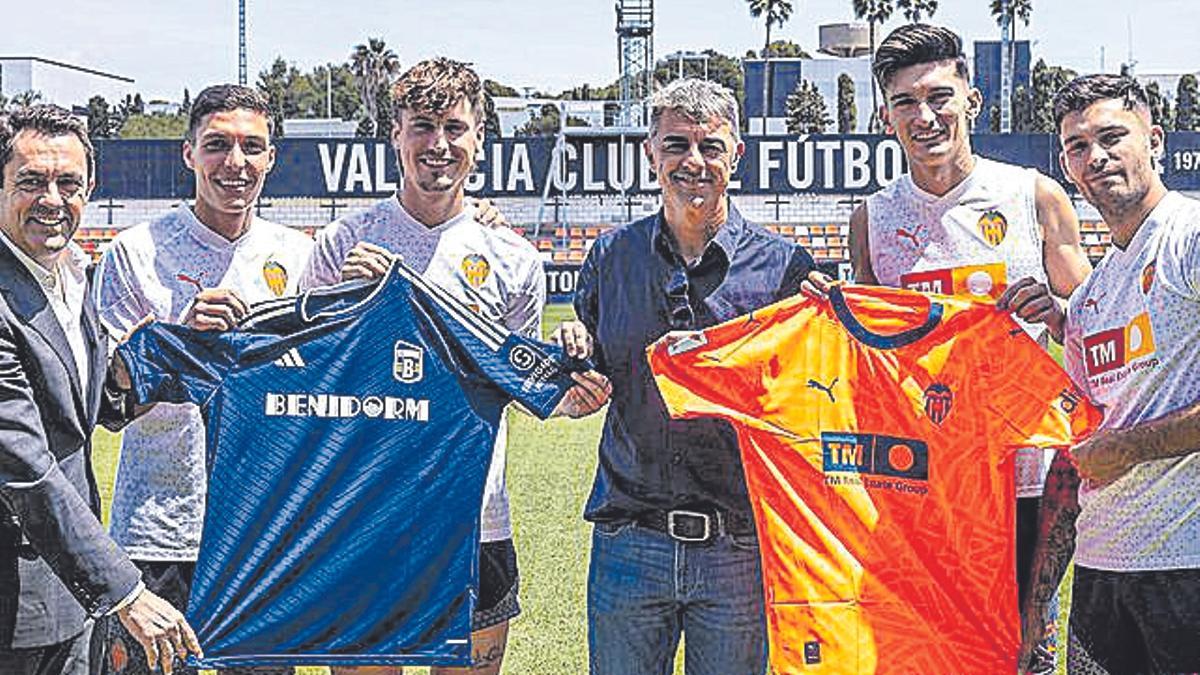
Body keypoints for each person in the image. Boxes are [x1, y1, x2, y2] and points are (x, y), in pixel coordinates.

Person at [300, 57, 609, 675]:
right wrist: (352, 313)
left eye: (454, 127)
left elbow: (522, 387)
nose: (438, 144)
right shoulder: (342, 243)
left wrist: (574, 384)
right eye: (422, 126)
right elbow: (305, 382)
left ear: (479, 138)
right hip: (366, 516)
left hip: (475, 518)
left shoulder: (513, 258)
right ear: (395, 134)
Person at [846, 23, 1092, 671]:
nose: (923, 116)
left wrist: (1059, 313)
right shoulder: (873, 218)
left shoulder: (1033, 196)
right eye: (905, 102)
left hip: (1024, 479)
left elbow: (1097, 330)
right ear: (885, 114)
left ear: (971, 99)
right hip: (922, 484)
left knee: (1023, 651)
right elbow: (870, 354)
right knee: (925, 654)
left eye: (938, 96)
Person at [554, 78, 820, 675]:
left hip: (739, 547)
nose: (693, 162)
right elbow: (587, 389)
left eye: (711, 146)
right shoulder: (611, 258)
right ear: (650, 152)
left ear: (737, 155)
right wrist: (573, 378)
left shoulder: (785, 270)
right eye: (676, 145)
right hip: (629, 541)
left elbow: (814, 401)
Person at [93, 85, 314, 675]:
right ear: (189, 152)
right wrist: (179, 342)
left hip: (261, 534)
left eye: (251, 146)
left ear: (272, 158)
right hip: (156, 534)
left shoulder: (300, 256)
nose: (234, 163)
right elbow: (109, 409)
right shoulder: (135, 252)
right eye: (217, 145)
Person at [0, 104, 200, 674]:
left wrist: (182, 345)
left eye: (69, 183)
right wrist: (128, 592)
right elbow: (26, 467)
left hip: (68, 599)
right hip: (13, 603)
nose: (52, 199)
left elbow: (93, 407)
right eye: (31, 182)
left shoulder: (72, 272)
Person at [1051, 74, 1200, 674]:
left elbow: (1115, 444)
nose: (1096, 156)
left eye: (1112, 136)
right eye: (1077, 146)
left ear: (1155, 139)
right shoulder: (1090, 296)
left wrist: (1129, 448)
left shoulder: (1188, 238)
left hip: (1187, 565)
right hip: (1101, 568)